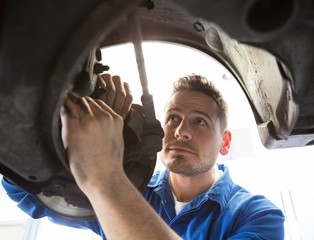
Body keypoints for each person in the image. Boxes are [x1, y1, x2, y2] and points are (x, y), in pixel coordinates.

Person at [2, 74, 285, 239]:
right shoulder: (132, 186)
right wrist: (65, 134)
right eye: (173, 118)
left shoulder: (258, 216)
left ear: (225, 142)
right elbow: (27, 191)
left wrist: (105, 174)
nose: (181, 131)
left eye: (200, 121)